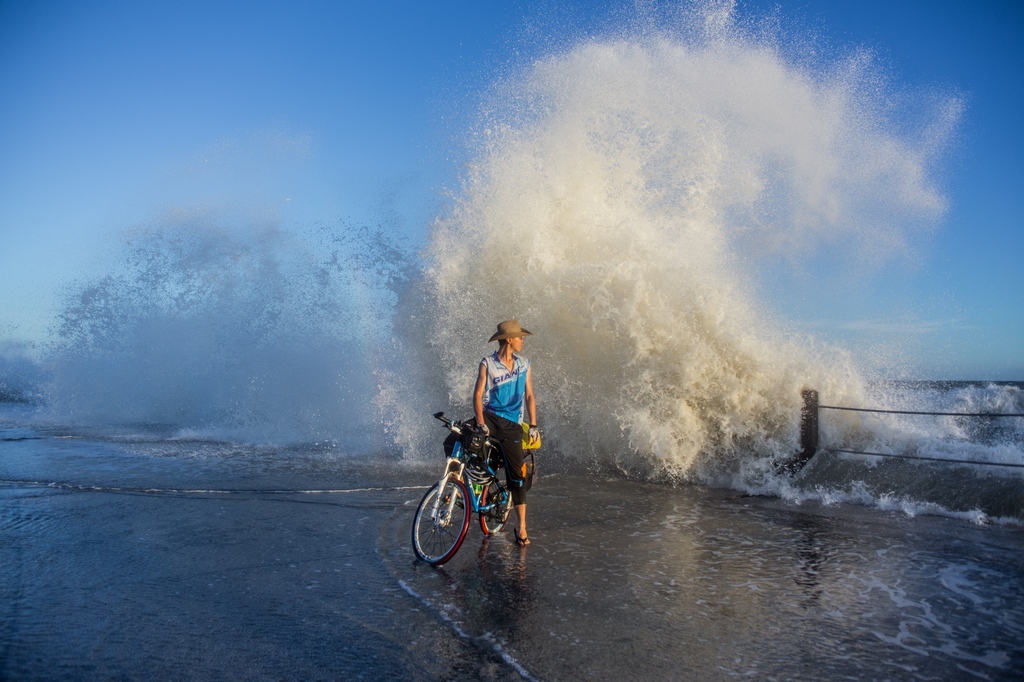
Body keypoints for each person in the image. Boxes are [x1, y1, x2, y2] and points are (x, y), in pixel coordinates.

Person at [473, 319, 539, 546]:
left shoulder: (524, 364)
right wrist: (480, 422)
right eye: (520, 337)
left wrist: (533, 426)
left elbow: (529, 396)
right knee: (460, 437)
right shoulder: (488, 363)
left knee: (516, 478)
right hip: (490, 418)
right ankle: (463, 487)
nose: (522, 340)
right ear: (509, 339)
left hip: (512, 425)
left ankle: (521, 527)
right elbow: (478, 394)